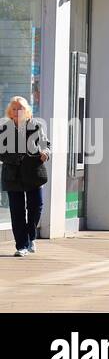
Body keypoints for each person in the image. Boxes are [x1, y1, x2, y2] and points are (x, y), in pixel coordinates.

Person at [1, 96, 49, 256]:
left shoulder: (36, 125)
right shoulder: (4, 128)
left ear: (26, 110)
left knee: (36, 206)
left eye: (20, 108)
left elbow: (45, 144)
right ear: (10, 111)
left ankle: (31, 236)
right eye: (14, 108)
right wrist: (17, 156)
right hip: (12, 175)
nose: (16, 111)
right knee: (17, 211)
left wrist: (45, 153)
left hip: (33, 173)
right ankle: (21, 246)